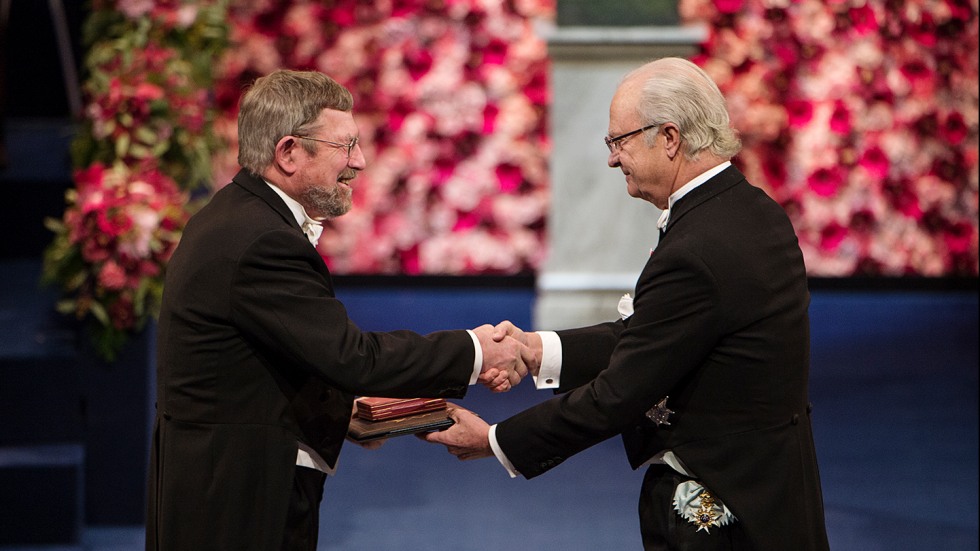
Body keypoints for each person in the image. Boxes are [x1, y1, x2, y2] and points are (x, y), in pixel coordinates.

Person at [425, 57, 830, 550]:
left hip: (724, 509)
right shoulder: (753, 211)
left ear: (670, 137)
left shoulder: (697, 248)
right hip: (773, 497)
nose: (613, 159)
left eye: (619, 141)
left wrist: (495, 441)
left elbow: (620, 394)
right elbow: (659, 334)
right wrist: (535, 350)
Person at [146, 69, 527, 551]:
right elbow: (353, 358)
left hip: (222, 483)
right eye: (345, 147)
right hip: (236, 501)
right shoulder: (261, 240)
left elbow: (264, 363)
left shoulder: (239, 216)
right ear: (288, 152)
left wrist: (342, 411)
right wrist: (476, 351)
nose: (361, 162)